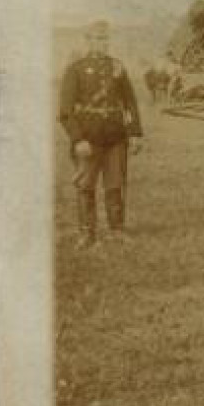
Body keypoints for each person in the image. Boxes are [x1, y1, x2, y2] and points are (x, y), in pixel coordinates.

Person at [58, 20, 144, 246]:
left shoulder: (118, 67)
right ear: (88, 41)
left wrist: (135, 133)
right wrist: (77, 139)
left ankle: (117, 230)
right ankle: (87, 233)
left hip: (116, 136)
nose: (103, 43)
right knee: (86, 185)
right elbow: (65, 111)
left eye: (105, 38)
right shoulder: (75, 69)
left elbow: (130, 103)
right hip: (88, 137)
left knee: (115, 184)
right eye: (97, 38)